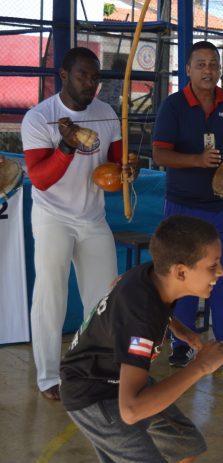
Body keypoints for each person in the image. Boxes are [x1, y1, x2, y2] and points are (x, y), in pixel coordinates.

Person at [60, 215, 223, 462]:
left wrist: (177, 328)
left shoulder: (153, 275)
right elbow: (131, 411)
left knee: (187, 445)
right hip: (93, 393)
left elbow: (125, 291)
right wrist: (201, 365)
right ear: (181, 271)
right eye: (213, 265)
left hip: (115, 376)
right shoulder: (140, 319)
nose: (221, 271)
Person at [20, 47, 123, 401]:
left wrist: (128, 171)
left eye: (95, 77)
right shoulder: (38, 118)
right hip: (52, 216)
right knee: (50, 294)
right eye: (83, 75)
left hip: (93, 217)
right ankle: (49, 376)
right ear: (63, 76)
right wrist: (65, 147)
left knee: (103, 299)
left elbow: (117, 163)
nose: (91, 83)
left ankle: (98, 370)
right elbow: (40, 179)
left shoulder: (107, 113)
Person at [152, 41, 223, 373]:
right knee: (180, 276)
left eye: (213, 64)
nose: (208, 70)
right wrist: (197, 160)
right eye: (200, 64)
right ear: (188, 69)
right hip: (183, 207)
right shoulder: (173, 106)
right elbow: (160, 154)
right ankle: (181, 344)